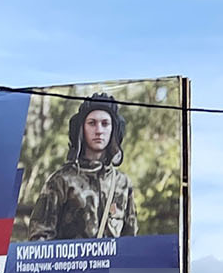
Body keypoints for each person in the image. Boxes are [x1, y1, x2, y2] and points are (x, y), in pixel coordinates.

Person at [21, 94, 138, 240]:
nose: (99, 130)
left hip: (113, 263)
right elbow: (39, 238)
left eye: (105, 123)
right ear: (81, 128)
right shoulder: (62, 181)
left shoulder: (123, 184)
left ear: (114, 129)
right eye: (92, 123)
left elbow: (131, 242)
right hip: (70, 262)